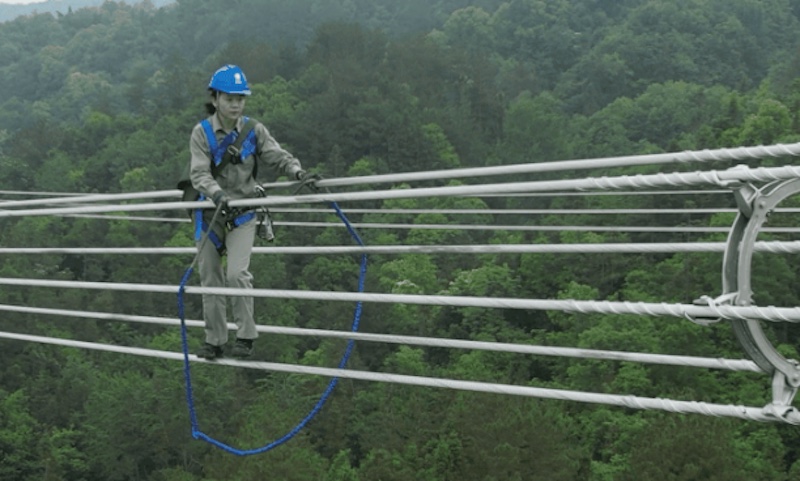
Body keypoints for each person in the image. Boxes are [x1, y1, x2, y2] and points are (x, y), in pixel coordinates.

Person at [189, 64, 312, 360]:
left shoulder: (253, 131)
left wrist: (297, 172)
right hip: (209, 214)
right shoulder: (202, 133)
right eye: (229, 98)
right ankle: (215, 340)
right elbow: (199, 174)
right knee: (210, 279)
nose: (235, 104)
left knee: (237, 274)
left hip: (243, 213)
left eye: (240, 98)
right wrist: (216, 193)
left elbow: (276, 156)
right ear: (215, 99)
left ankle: (245, 337)